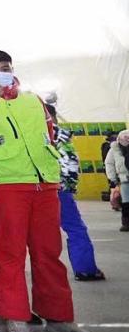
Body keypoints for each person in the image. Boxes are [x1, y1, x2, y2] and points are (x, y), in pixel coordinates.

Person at [0, 49, 96, 332]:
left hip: (44, 184)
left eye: (5, 66)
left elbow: (48, 134)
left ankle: (60, 317)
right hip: (6, 184)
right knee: (9, 254)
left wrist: (54, 174)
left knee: (49, 253)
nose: (1, 71)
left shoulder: (32, 99)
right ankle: (15, 316)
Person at [45, 103, 105, 281]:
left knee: (38, 235)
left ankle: (45, 273)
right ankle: (86, 268)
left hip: (35, 189)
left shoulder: (29, 130)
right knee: (75, 228)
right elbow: (70, 162)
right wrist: (69, 186)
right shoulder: (60, 134)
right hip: (59, 188)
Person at [106, 130, 129, 232]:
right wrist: (113, 179)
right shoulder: (114, 149)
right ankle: (126, 223)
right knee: (126, 202)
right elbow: (109, 163)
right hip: (124, 179)